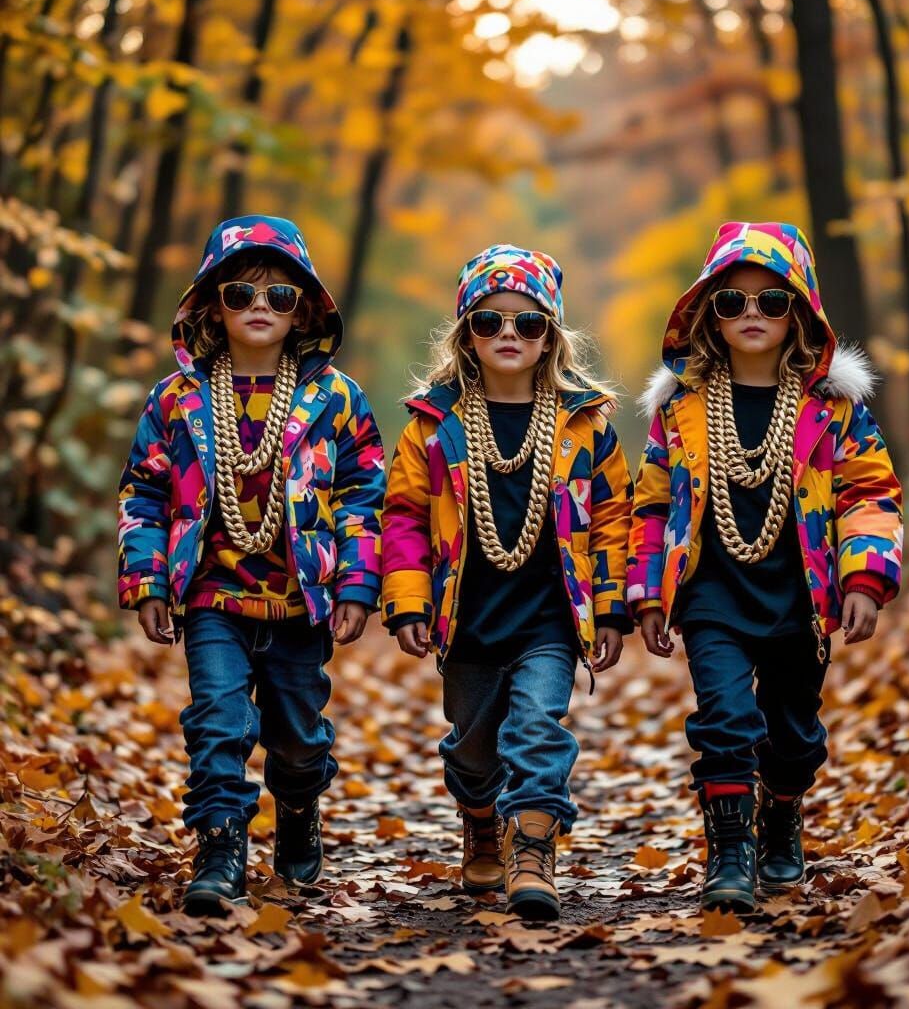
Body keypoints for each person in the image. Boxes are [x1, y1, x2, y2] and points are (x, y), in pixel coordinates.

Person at [628, 221, 903, 912]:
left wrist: (864, 578)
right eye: (733, 302)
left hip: (799, 598)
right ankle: (729, 854)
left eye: (771, 302)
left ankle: (781, 812)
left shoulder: (833, 409)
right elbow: (652, 506)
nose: (752, 314)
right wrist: (648, 595)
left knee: (793, 735)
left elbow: (869, 492)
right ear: (708, 316)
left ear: (799, 314)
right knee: (725, 722)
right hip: (712, 594)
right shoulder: (682, 408)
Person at [117, 216, 385, 915]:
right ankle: (220, 844)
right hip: (212, 595)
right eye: (239, 294)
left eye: (279, 296)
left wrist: (357, 580)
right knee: (216, 720)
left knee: (296, 736)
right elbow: (143, 491)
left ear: (304, 311)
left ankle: (298, 809)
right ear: (210, 305)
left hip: (301, 600)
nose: (259, 307)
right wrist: (147, 578)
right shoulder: (177, 400)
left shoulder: (336, 399)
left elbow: (364, 494)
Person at [382, 244, 632, 920]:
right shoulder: (433, 427)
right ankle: (480, 813)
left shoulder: (585, 425)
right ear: (467, 334)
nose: (510, 336)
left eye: (528, 323)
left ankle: (533, 847)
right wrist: (406, 597)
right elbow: (402, 514)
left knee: (537, 727)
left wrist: (611, 609)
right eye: (490, 322)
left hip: (550, 619)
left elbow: (614, 517)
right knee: (471, 744)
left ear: (552, 334)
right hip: (466, 619)